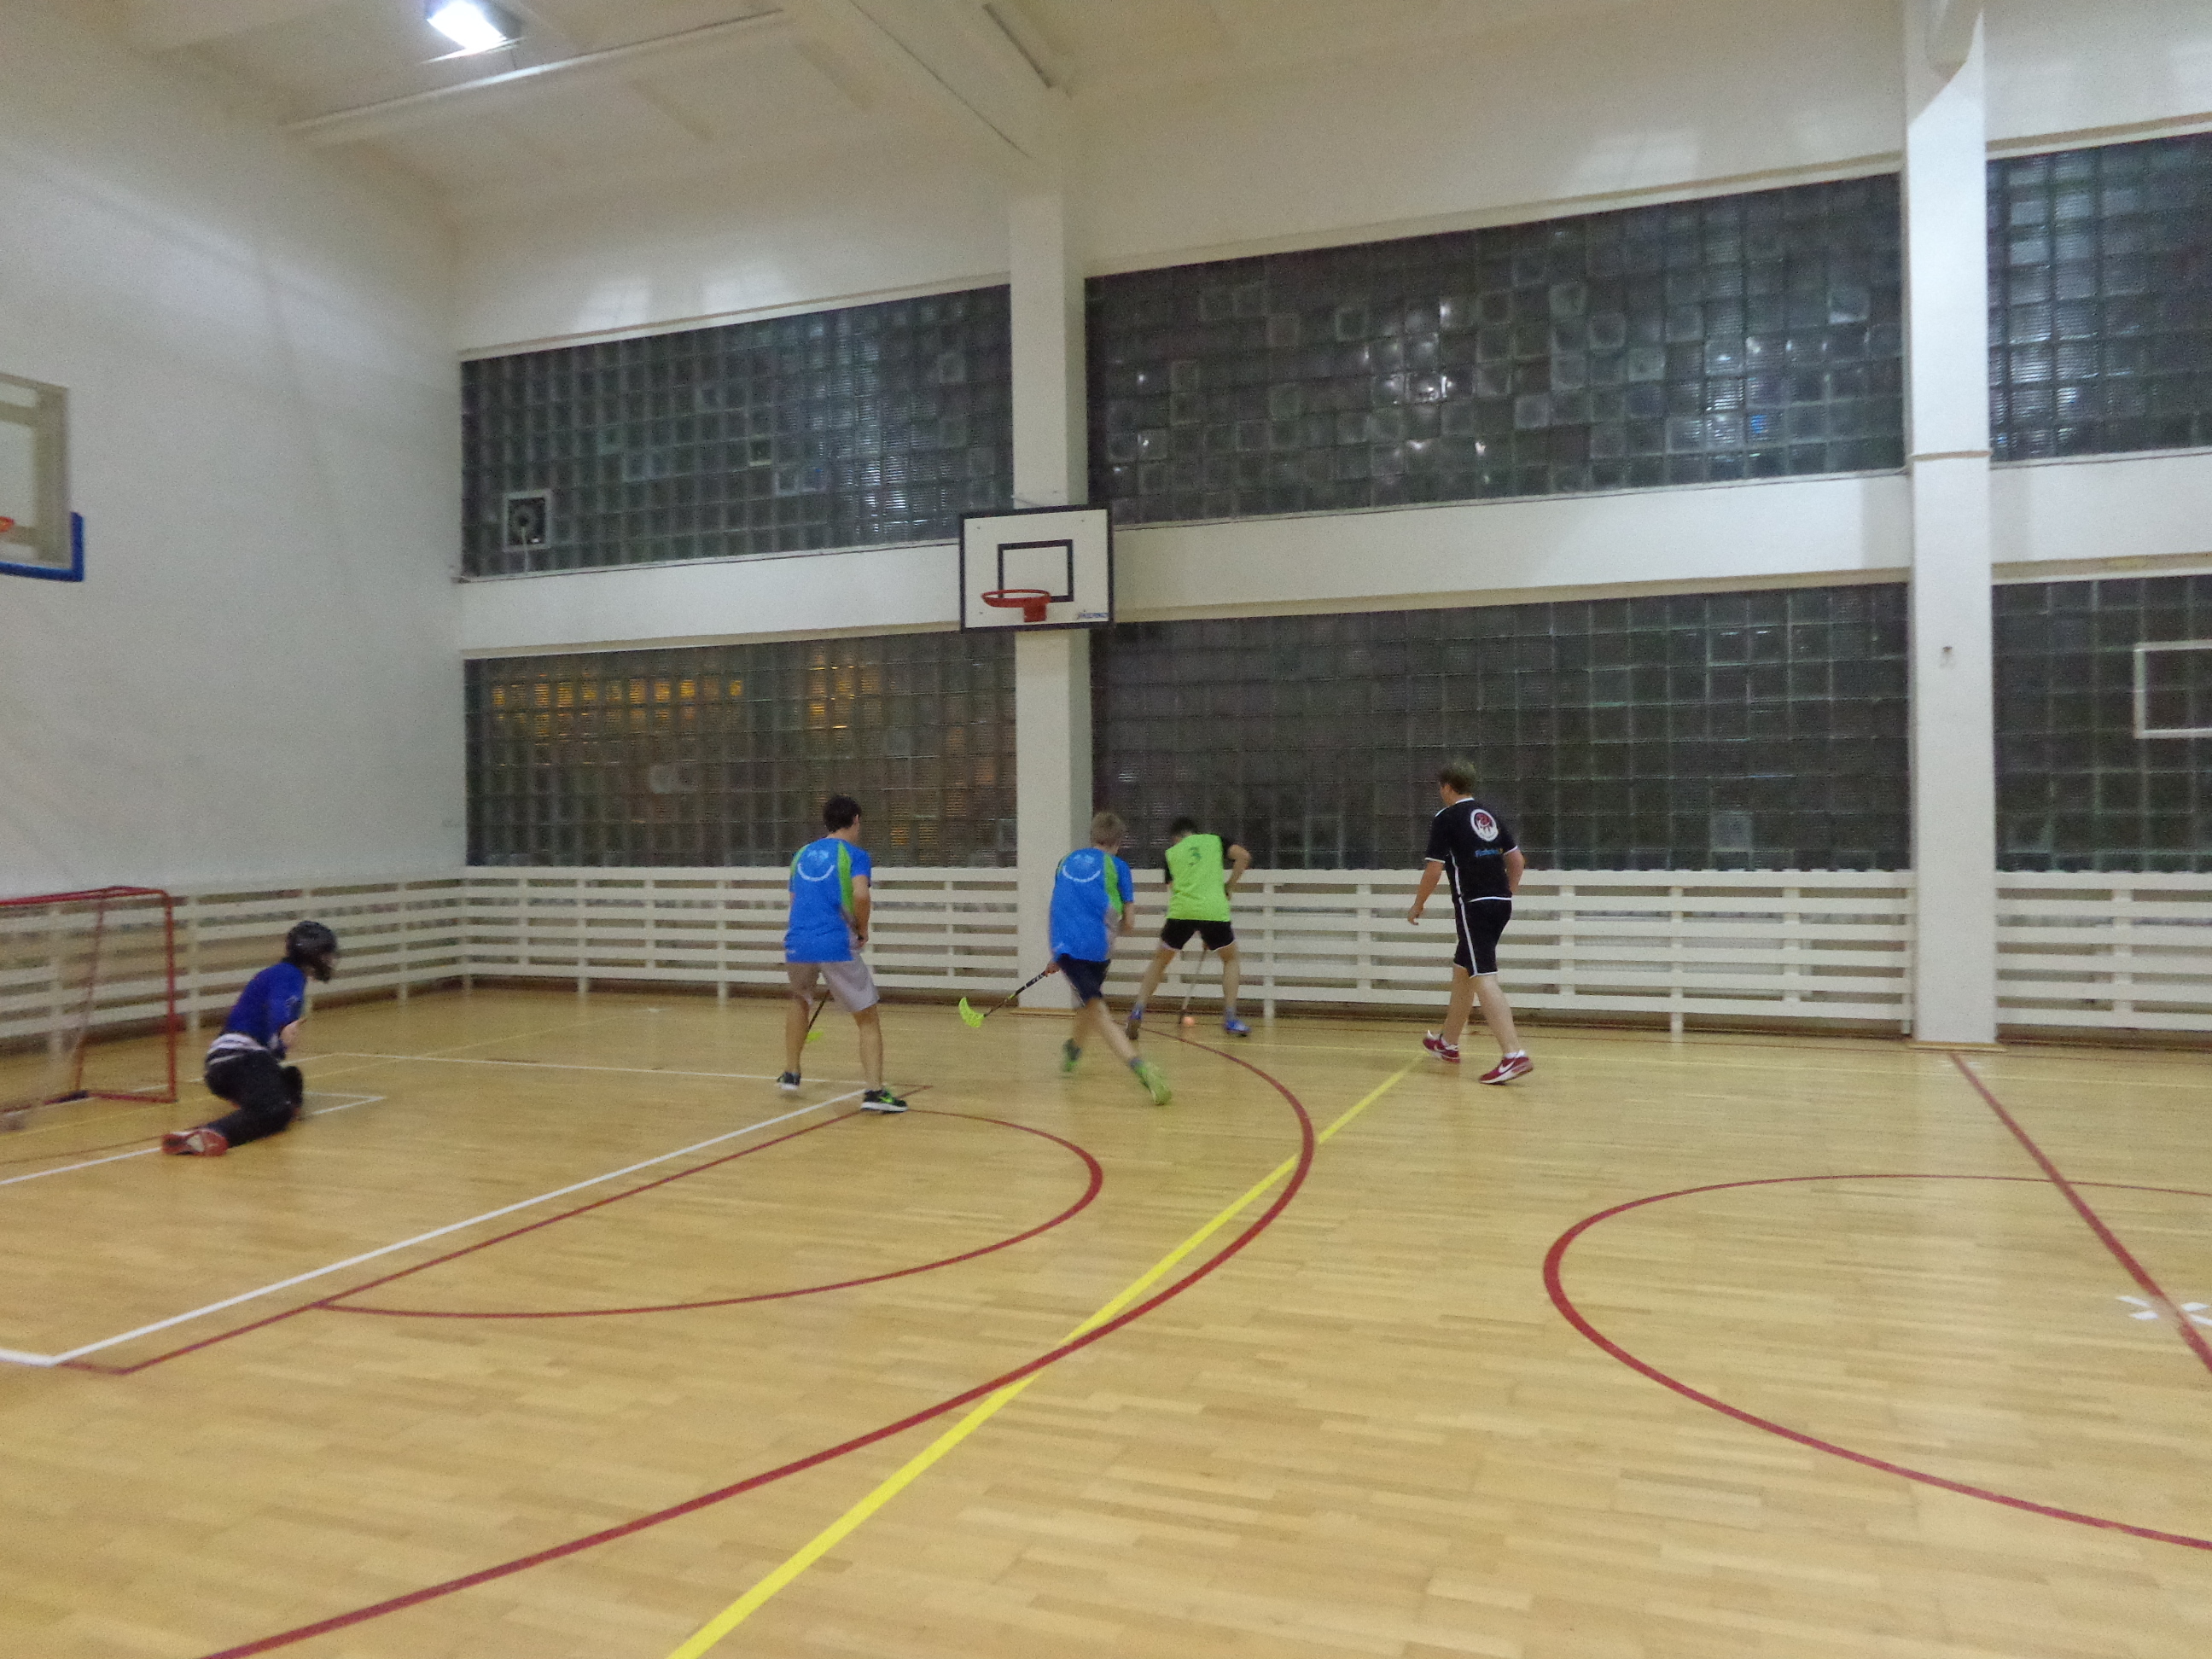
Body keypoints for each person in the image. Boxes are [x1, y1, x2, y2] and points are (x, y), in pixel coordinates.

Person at [161, 921, 339, 1155]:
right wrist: (284, 1025)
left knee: (290, 1082)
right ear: (312, 954)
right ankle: (210, 1133)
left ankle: (264, 1103)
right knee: (275, 1109)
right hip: (239, 1059)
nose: (330, 960)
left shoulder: (288, 975)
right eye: (326, 954)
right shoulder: (288, 974)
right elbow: (279, 1004)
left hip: (232, 1063)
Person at [1406, 762, 1532, 1083]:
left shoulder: (1446, 818)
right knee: (1463, 969)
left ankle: (1513, 1054)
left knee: (1482, 976)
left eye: (1440, 787)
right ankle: (1448, 1043)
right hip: (1500, 903)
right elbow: (1516, 860)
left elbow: (1434, 869)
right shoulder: (1489, 814)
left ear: (1447, 787)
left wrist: (1418, 904)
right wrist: (1506, 894)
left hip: (1474, 905)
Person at [780, 795, 907, 1113]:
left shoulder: (801, 855)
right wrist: (862, 929)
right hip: (835, 941)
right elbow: (861, 896)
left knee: (799, 999)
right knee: (867, 1016)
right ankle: (875, 1092)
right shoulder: (855, 855)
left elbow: (795, 902)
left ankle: (791, 1073)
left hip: (798, 940)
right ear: (856, 821)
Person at [1051, 811, 1173, 1106]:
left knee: (1092, 1006)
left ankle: (1097, 1055)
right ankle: (1119, 1061)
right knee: (1094, 1007)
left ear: (1091, 837)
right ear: (1119, 842)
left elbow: (1063, 903)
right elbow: (1129, 922)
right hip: (1099, 950)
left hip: (1065, 945)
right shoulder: (1119, 867)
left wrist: (1060, 952)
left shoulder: (1065, 862)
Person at [1126, 817, 1254, 1039]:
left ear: (1176, 837)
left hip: (1181, 912)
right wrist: (1229, 886)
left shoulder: (1171, 854)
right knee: (1230, 959)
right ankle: (1231, 1018)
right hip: (1213, 912)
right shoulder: (1215, 841)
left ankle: (1138, 1010)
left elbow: (1173, 887)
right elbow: (1243, 856)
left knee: (1160, 961)